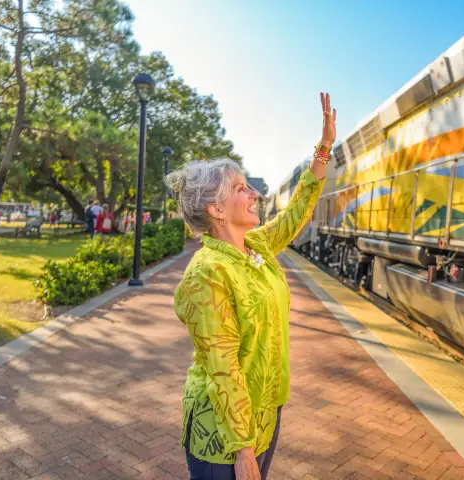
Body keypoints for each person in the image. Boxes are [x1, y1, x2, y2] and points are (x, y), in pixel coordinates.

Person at [167, 93, 336, 480]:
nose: (254, 194)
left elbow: (296, 213)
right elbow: (222, 368)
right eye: (241, 188)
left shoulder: (255, 245)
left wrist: (324, 147)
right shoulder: (207, 273)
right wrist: (243, 451)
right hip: (223, 433)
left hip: (264, 412)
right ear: (216, 209)